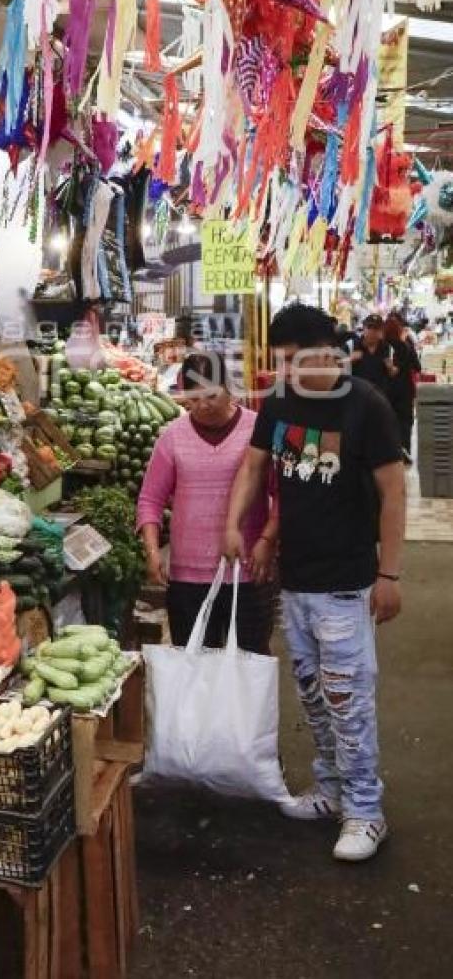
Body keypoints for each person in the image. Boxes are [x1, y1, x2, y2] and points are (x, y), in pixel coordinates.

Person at [225, 304, 405, 863]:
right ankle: (329, 791)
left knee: (348, 700)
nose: (283, 372)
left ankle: (365, 811)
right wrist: (235, 523)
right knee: (312, 695)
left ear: (326, 350)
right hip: (295, 581)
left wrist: (390, 573)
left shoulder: (365, 406)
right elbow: (255, 468)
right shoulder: (279, 402)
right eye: (278, 361)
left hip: (347, 583)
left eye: (291, 360)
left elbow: (394, 493)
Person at [138, 351, 277, 655]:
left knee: (250, 662)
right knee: (195, 665)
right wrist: (151, 552)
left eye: (211, 396)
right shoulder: (173, 437)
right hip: (189, 576)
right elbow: (150, 500)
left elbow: (281, 494)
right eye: (194, 398)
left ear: (228, 387)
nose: (203, 406)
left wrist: (267, 541)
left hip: (247, 573)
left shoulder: (257, 429)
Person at [384, 312, 421, 462]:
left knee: (386, 421)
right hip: (404, 390)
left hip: (386, 390)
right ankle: (404, 451)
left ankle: (388, 453)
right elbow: (418, 367)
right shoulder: (406, 346)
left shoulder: (382, 347)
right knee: (405, 422)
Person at [348, 313, 396, 392]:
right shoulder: (351, 345)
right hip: (356, 395)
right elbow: (335, 366)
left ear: (381, 331)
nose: (372, 331)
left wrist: (391, 368)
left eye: (376, 328)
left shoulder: (388, 348)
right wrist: (349, 360)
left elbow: (393, 373)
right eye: (369, 327)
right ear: (363, 328)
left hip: (379, 396)